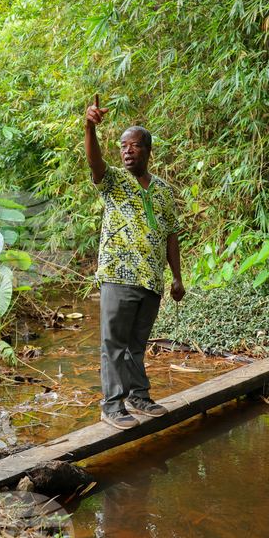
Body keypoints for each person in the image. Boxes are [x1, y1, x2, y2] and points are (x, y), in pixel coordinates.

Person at [84, 95, 184, 430]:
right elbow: (95, 163)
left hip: (152, 279)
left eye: (135, 146)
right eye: (123, 146)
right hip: (117, 274)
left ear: (148, 150)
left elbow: (171, 233)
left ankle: (137, 396)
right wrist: (89, 128)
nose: (127, 151)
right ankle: (111, 405)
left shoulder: (163, 190)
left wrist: (177, 277)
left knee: (136, 345)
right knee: (113, 342)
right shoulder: (113, 181)